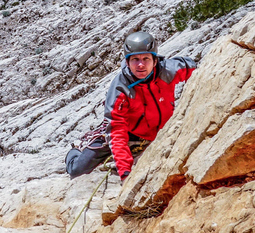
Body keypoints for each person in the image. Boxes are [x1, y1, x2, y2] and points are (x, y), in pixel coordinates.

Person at [65, 31, 196, 181]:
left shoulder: (168, 71)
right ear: (127, 62)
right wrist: (125, 173)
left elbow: (197, 69)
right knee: (77, 170)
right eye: (135, 59)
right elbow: (117, 131)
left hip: (160, 132)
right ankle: (73, 153)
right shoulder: (121, 88)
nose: (140, 64)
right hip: (129, 134)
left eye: (146, 58)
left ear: (155, 61)